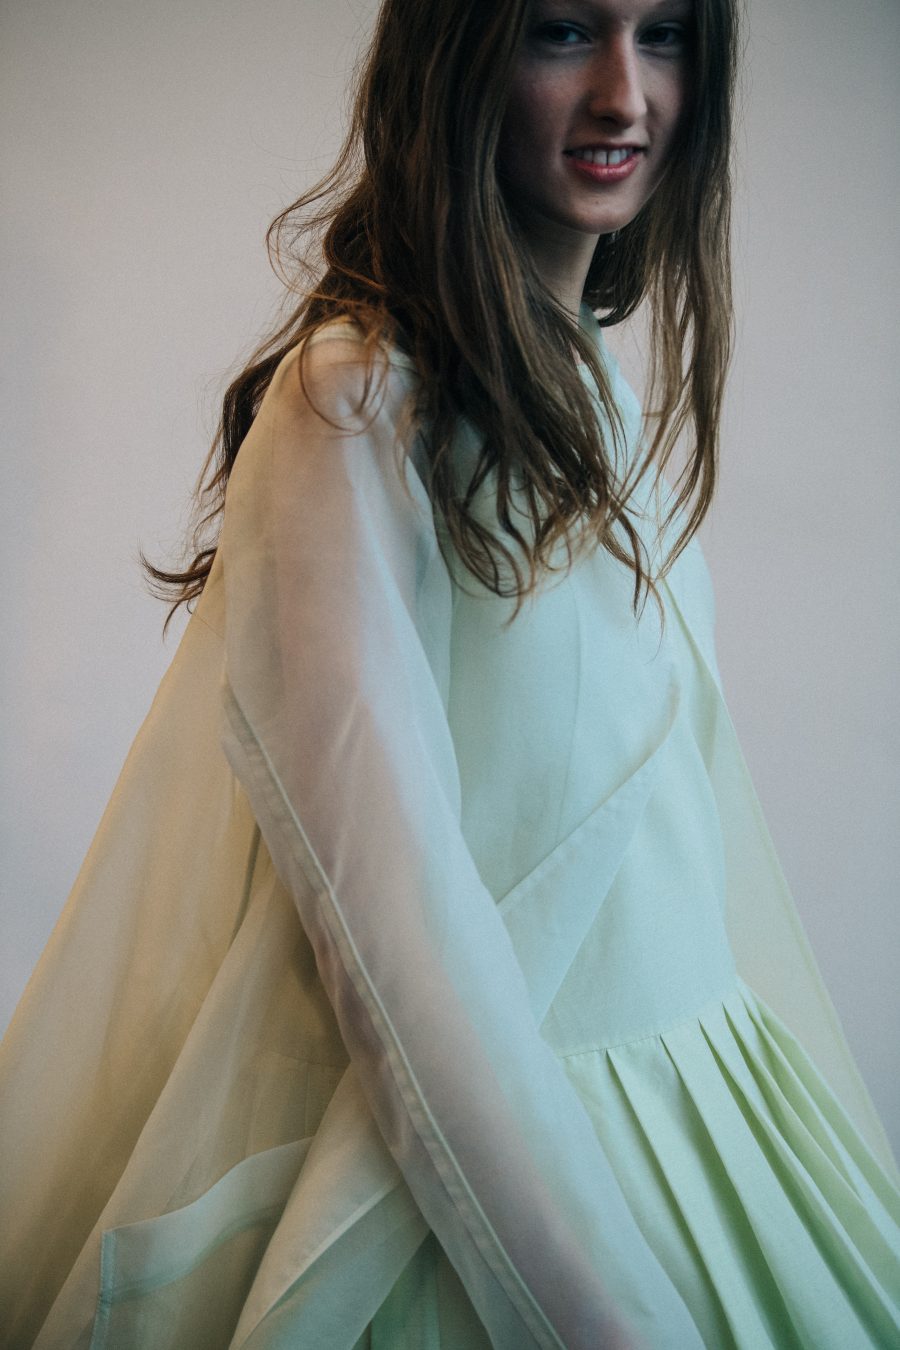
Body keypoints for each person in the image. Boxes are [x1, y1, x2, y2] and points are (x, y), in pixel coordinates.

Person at [1, 0, 898, 1346]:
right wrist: (603, 1319)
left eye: (663, 34)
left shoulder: (592, 387)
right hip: (482, 1193)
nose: (625, 94)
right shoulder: (353, 407)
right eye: (562, 32)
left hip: (689, 1134)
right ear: (458, 54)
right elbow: (393, 932)